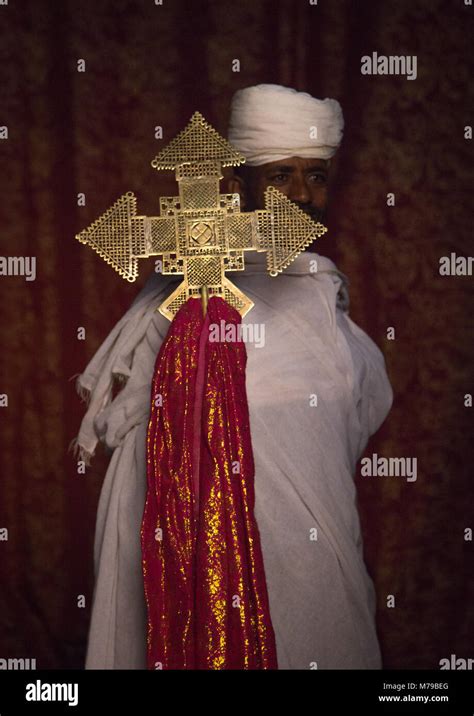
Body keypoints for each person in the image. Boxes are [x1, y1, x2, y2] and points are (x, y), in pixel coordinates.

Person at [75, 83, 393, 670]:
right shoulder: (174, 306)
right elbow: (138, 465)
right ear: (236, 186)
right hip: (197, 573)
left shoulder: (323, 294)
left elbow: (364, 406)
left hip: (316, 567)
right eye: (279, 176)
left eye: (316, 176)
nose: (301, 194)